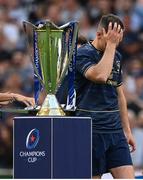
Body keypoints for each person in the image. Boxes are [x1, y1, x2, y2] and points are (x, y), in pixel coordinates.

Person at [75, 14, 136, 179]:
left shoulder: (116, 57)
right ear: (100, 34)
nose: (117, 43)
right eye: (113, 38)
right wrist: (111, 46)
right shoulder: (82, 54)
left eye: (119, 39)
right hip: (90, 130)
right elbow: (100, 75)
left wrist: (127, 130)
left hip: (115, 131)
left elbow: (120, 95)